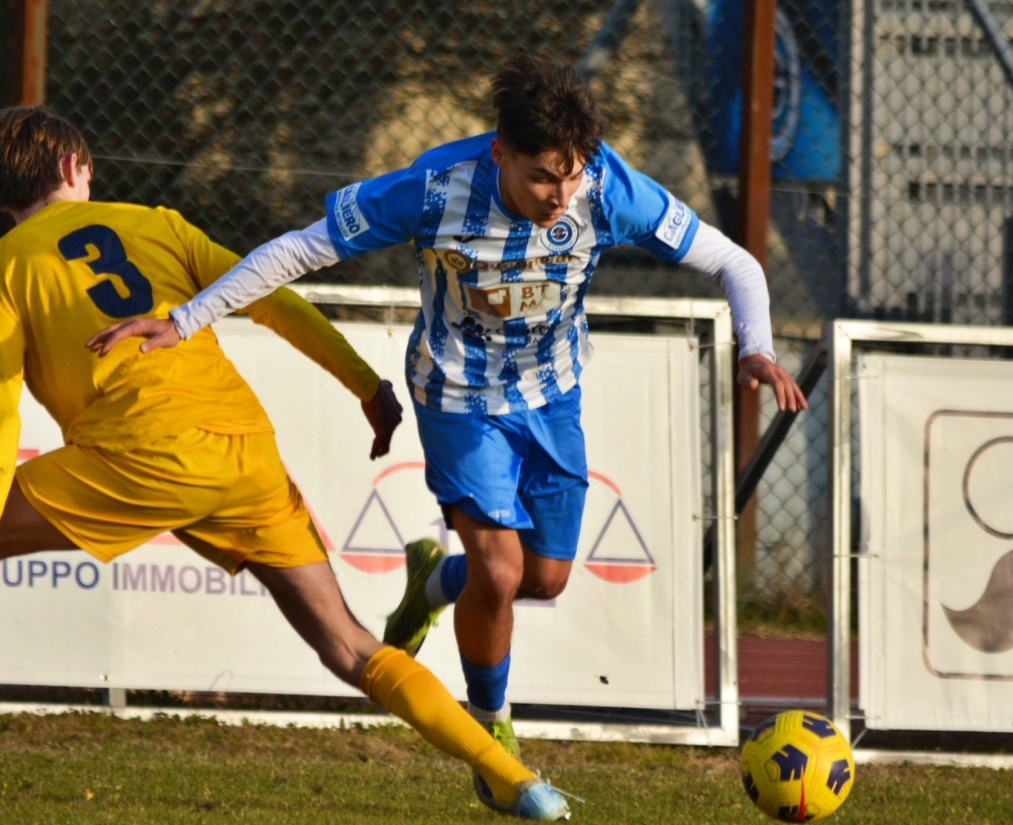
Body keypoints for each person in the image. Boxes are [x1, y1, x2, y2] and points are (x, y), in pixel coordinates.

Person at [89, 51, 806, 802]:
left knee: (543, 577)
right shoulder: (433, 191)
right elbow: (301, 247)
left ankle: (432, 578)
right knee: (499, 571)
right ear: (500, 153)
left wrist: (756, 347)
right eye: (540, 177)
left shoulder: (608, 188)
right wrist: (183, 317)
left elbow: (737, 263)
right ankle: (491, 738)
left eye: (569, 176)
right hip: (457, 396)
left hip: (552, 397)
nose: (559, 197)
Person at [0, 105, 571, 821]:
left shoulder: (9, 263)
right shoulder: (156, 223)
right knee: (351, 645)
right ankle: (516, 779)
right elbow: (273, 300)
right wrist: (366, 384)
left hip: (136, 452)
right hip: (243, 451)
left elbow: (1, 397)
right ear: (73, 170)